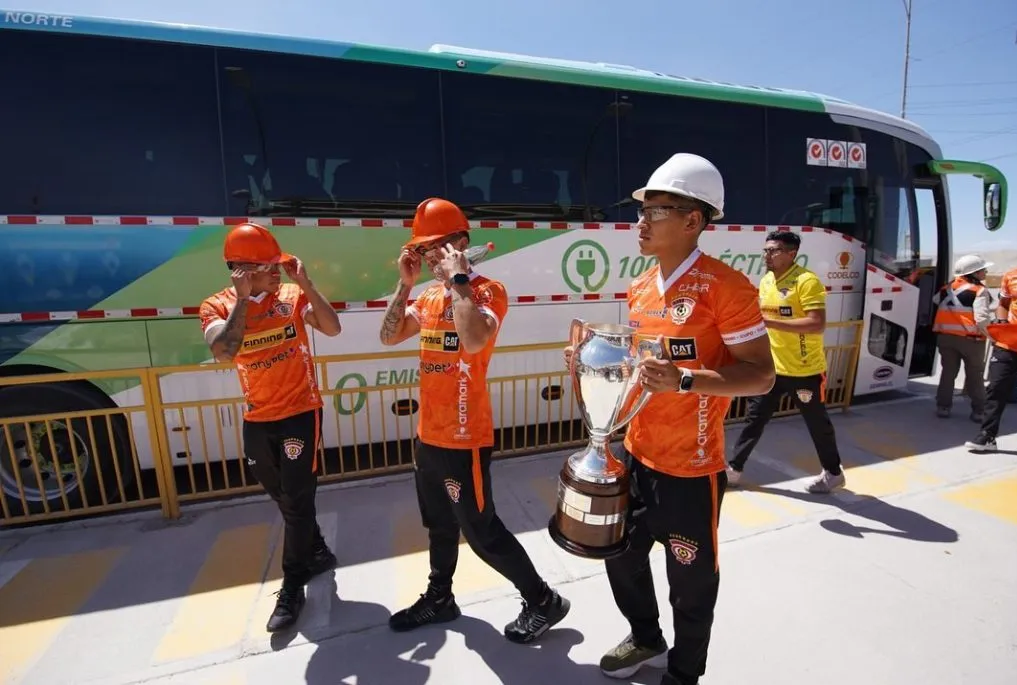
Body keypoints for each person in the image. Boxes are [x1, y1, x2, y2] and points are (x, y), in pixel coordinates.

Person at [566, 154, 775, 685]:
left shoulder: (728, 288)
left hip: (691, 470)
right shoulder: (640, 288)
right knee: (618, 557)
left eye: (656, 209)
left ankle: (684, 674)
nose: (641, 220)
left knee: (692, 584)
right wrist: (591, 369)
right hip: (636, 456)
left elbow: (761, 376)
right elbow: (640, 370)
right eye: (642, 209)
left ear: (693, 221)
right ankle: (646, 638)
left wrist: (686, 380)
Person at [378, 197, 570, 644]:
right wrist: (405, 285)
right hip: (429, 436)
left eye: (435, 248)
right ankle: (440, 597)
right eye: (421, 251)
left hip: (466, 438)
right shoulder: (425, 297)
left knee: (481, 531)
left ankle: (543, 600)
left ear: (461, 244)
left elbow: (472, 340)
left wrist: (458, 279)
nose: (427, 258)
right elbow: (388, 337)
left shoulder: (487, 291)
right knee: (439, 524)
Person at [198, 222, 342, 632]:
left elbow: (332, 328)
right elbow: (224, 351)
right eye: (268, 267)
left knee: (297, 501)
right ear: (241, 271)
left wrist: (307, 284)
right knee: (282, 496)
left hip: (301, 411)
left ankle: (293, 585)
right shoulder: (217, 306)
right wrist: (244, 302)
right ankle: (315, 549)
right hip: (258, 418)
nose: (277, 273)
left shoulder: (292, 297)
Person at [725, 230, 846, 494]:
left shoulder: (806, 281)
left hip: (804, 370)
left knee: (817, 424)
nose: (767, 255)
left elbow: (817, 324)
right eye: (766, 250)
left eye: (774, 250)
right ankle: (734, 470)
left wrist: (768, 322)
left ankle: (833, 473)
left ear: (792, 254)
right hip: (771, 368)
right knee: (754, 419)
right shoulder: (767, 280)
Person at [966, 262, 1017, 451]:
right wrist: (1000, 323)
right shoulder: (1012, 275)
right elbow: (1004, 304)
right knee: (996, 387)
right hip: (1010, 343)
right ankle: (987, 436)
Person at [931, 254, 994, 421]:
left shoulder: (947, 288)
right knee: (975, 375)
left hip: (946, 338)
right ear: (973, 273)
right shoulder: (979, 291)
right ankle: (979, 411)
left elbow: (936, 300)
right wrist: (992, 336)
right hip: (971, 340)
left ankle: (943, 407)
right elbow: (981, 319)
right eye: (982, 270)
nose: (985, 272)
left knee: (948, 373)